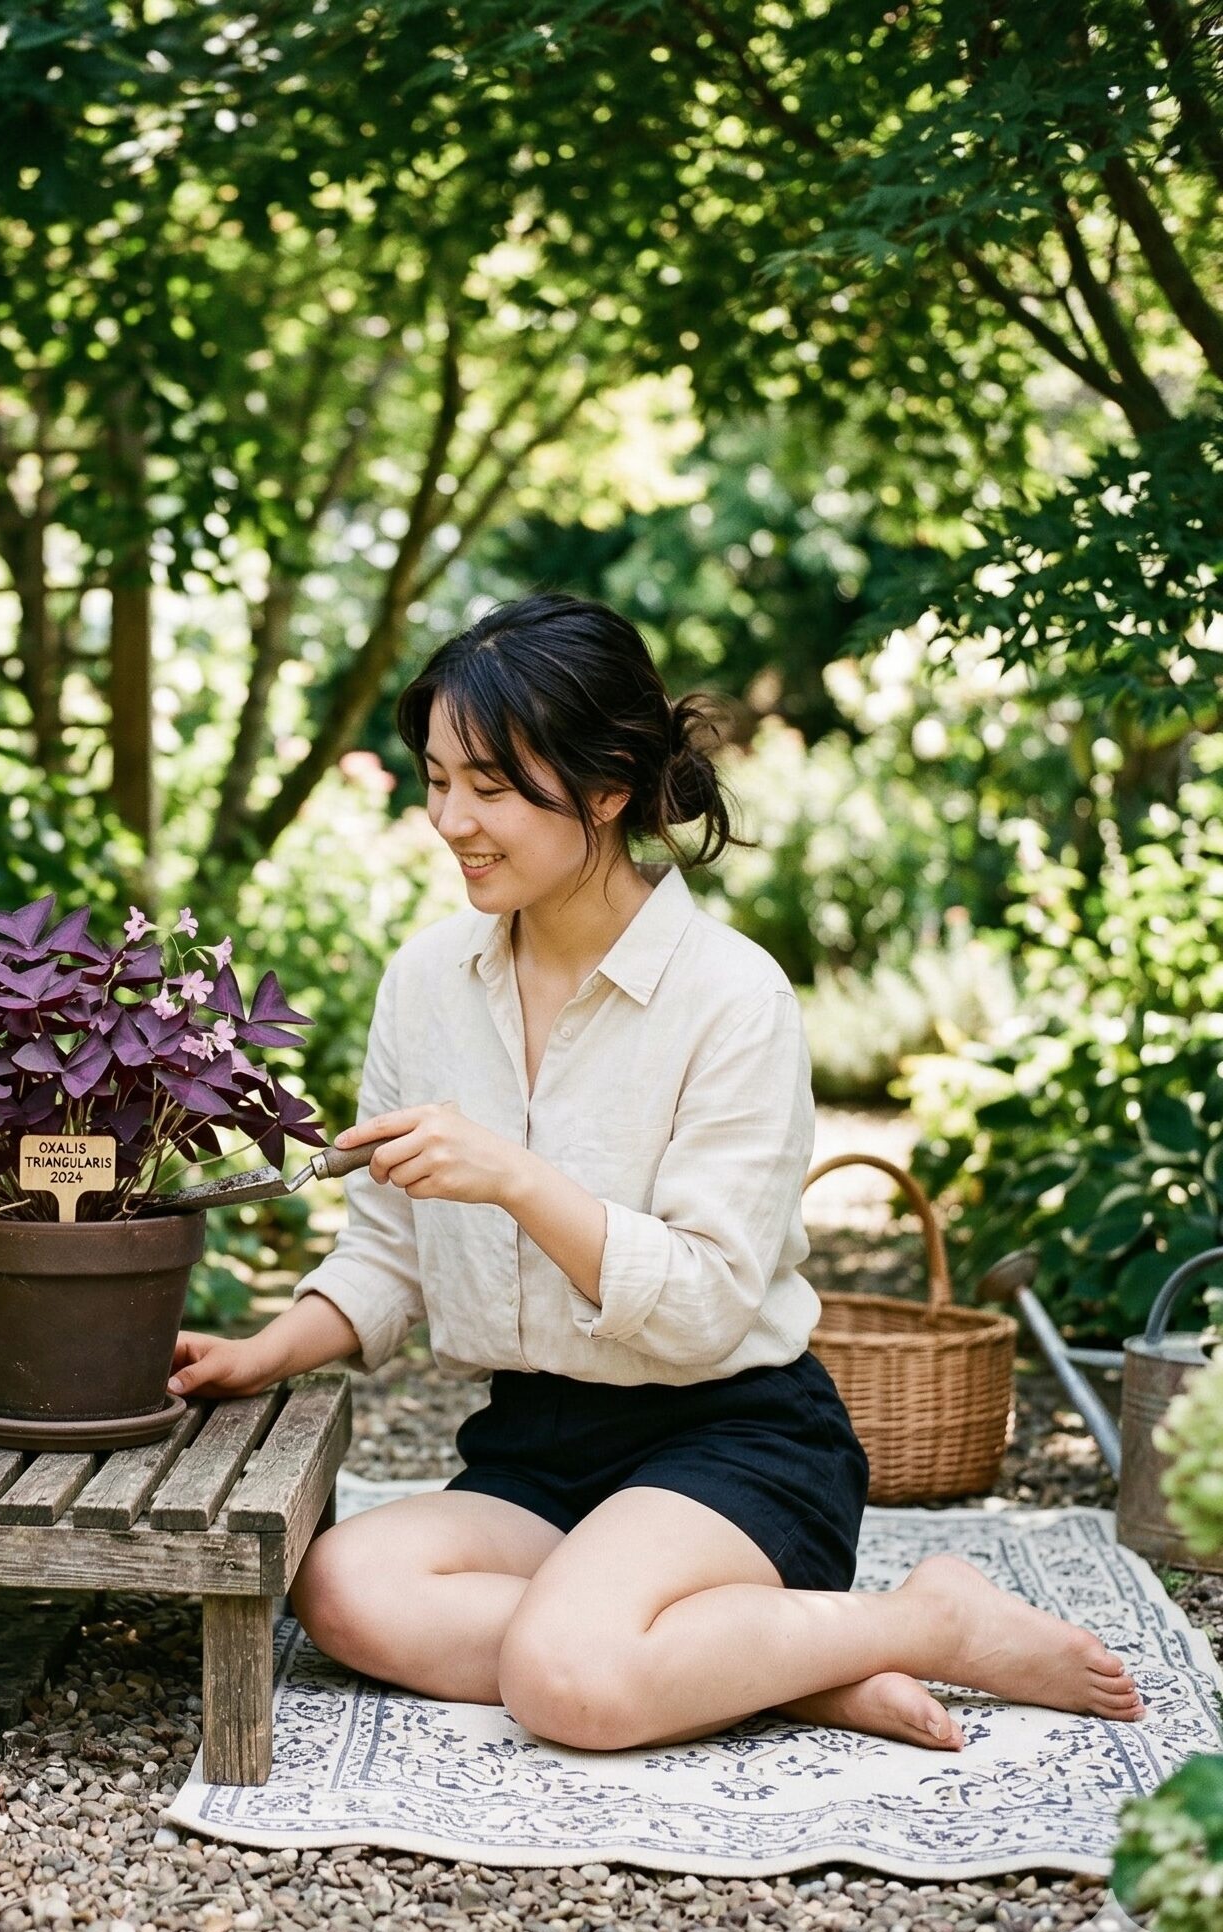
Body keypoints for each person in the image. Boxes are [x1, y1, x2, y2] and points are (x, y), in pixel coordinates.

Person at [167, 591, 1145, 1753]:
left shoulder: (731, 996)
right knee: (341, 1587)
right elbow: (386, 1246)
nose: (449, 819)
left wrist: (516, 1178)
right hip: (537, 1443)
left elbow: (704, 1303)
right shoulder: (424, 982)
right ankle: (786, 1665)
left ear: (605, 786)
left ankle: (922, 1617)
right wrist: (259, 1351)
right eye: (435, 779)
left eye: (489, 786)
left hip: (729, 1437)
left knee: (564, 1679)